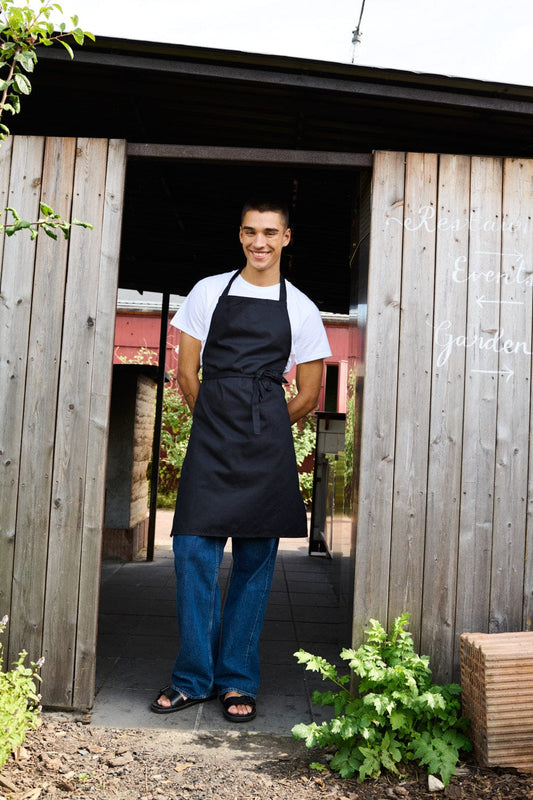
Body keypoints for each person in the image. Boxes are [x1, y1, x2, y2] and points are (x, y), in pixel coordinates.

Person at [151, 198, 331, 722]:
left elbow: (310, 391)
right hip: (211, 441)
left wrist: (269, 427)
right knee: (192, 555)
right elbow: (187, 374)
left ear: (286, 238)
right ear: (240, 235)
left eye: (270, 233)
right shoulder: (208, 291)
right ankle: (192, 678)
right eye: (251, 232)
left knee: (254, 564)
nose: (260, 242)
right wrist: (216, 420)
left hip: (265, 447)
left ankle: (236, 680)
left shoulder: (300, 306)